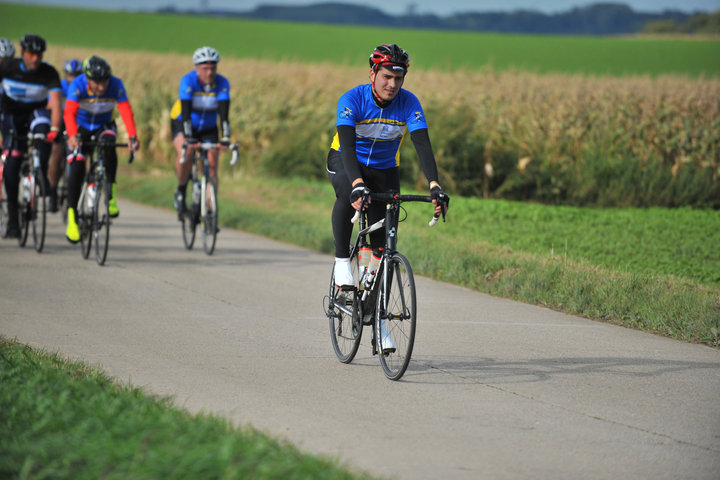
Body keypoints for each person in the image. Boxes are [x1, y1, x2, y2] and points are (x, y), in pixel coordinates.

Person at [327, 44, 448, 289]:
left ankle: (377, 311)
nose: (392, 84)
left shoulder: (409, 102)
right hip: (346, 160)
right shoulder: (351, 100)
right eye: (387, 76)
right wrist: (357, 184)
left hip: (384, 168)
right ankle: (341, 262)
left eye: (398, 78)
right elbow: (348, 148)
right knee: (347, 194)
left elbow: (422, 144)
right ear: (373, 74)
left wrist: (434, 184)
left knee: (384, 243)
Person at [63, 55, 139, 243]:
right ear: (87, 79)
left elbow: (126, 111)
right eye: (96, 83)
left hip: (103, 126)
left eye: (104, 82)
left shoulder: (116, 85)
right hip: (80, 128)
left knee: (108, 145)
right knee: (77, 165)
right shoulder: (78, 85)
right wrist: (72, 135)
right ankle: (72, 216)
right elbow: (69, 113)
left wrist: (132, 136)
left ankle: (110, 195)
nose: (101, 87)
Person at [0, 33, 62, 239]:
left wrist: (55, 129)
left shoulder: (49, 72)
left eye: (39, 54)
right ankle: (13, 221)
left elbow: (55, 102)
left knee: (44, 131)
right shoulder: (7, 68)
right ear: (22, 53)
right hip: (11, 115)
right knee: (12, 165)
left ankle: (40, 170)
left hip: (37, 112)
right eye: (31, 54)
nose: (35, 58)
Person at [170, 46, 231, 218]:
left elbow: (224, 116)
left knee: (212, 165)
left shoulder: (222, 83)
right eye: (205, 68)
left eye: (213, 68)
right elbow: (186, 113)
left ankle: (210, 208)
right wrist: (189, 137)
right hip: (183, 122)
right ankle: (181, 189)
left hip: (209, 127)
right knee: (186, 151)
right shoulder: (188, 81)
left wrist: (225, 137)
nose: (209, 72)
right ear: (197, 68)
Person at [47, 58, 83, 212]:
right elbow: (51, 104)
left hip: (78, 123)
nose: (73, 78)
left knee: (81, 157)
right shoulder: (60, 86)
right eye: (70, 75)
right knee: (57, 153)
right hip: (62, 122)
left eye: (76, 74)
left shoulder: (84, 86)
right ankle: (53, 191)